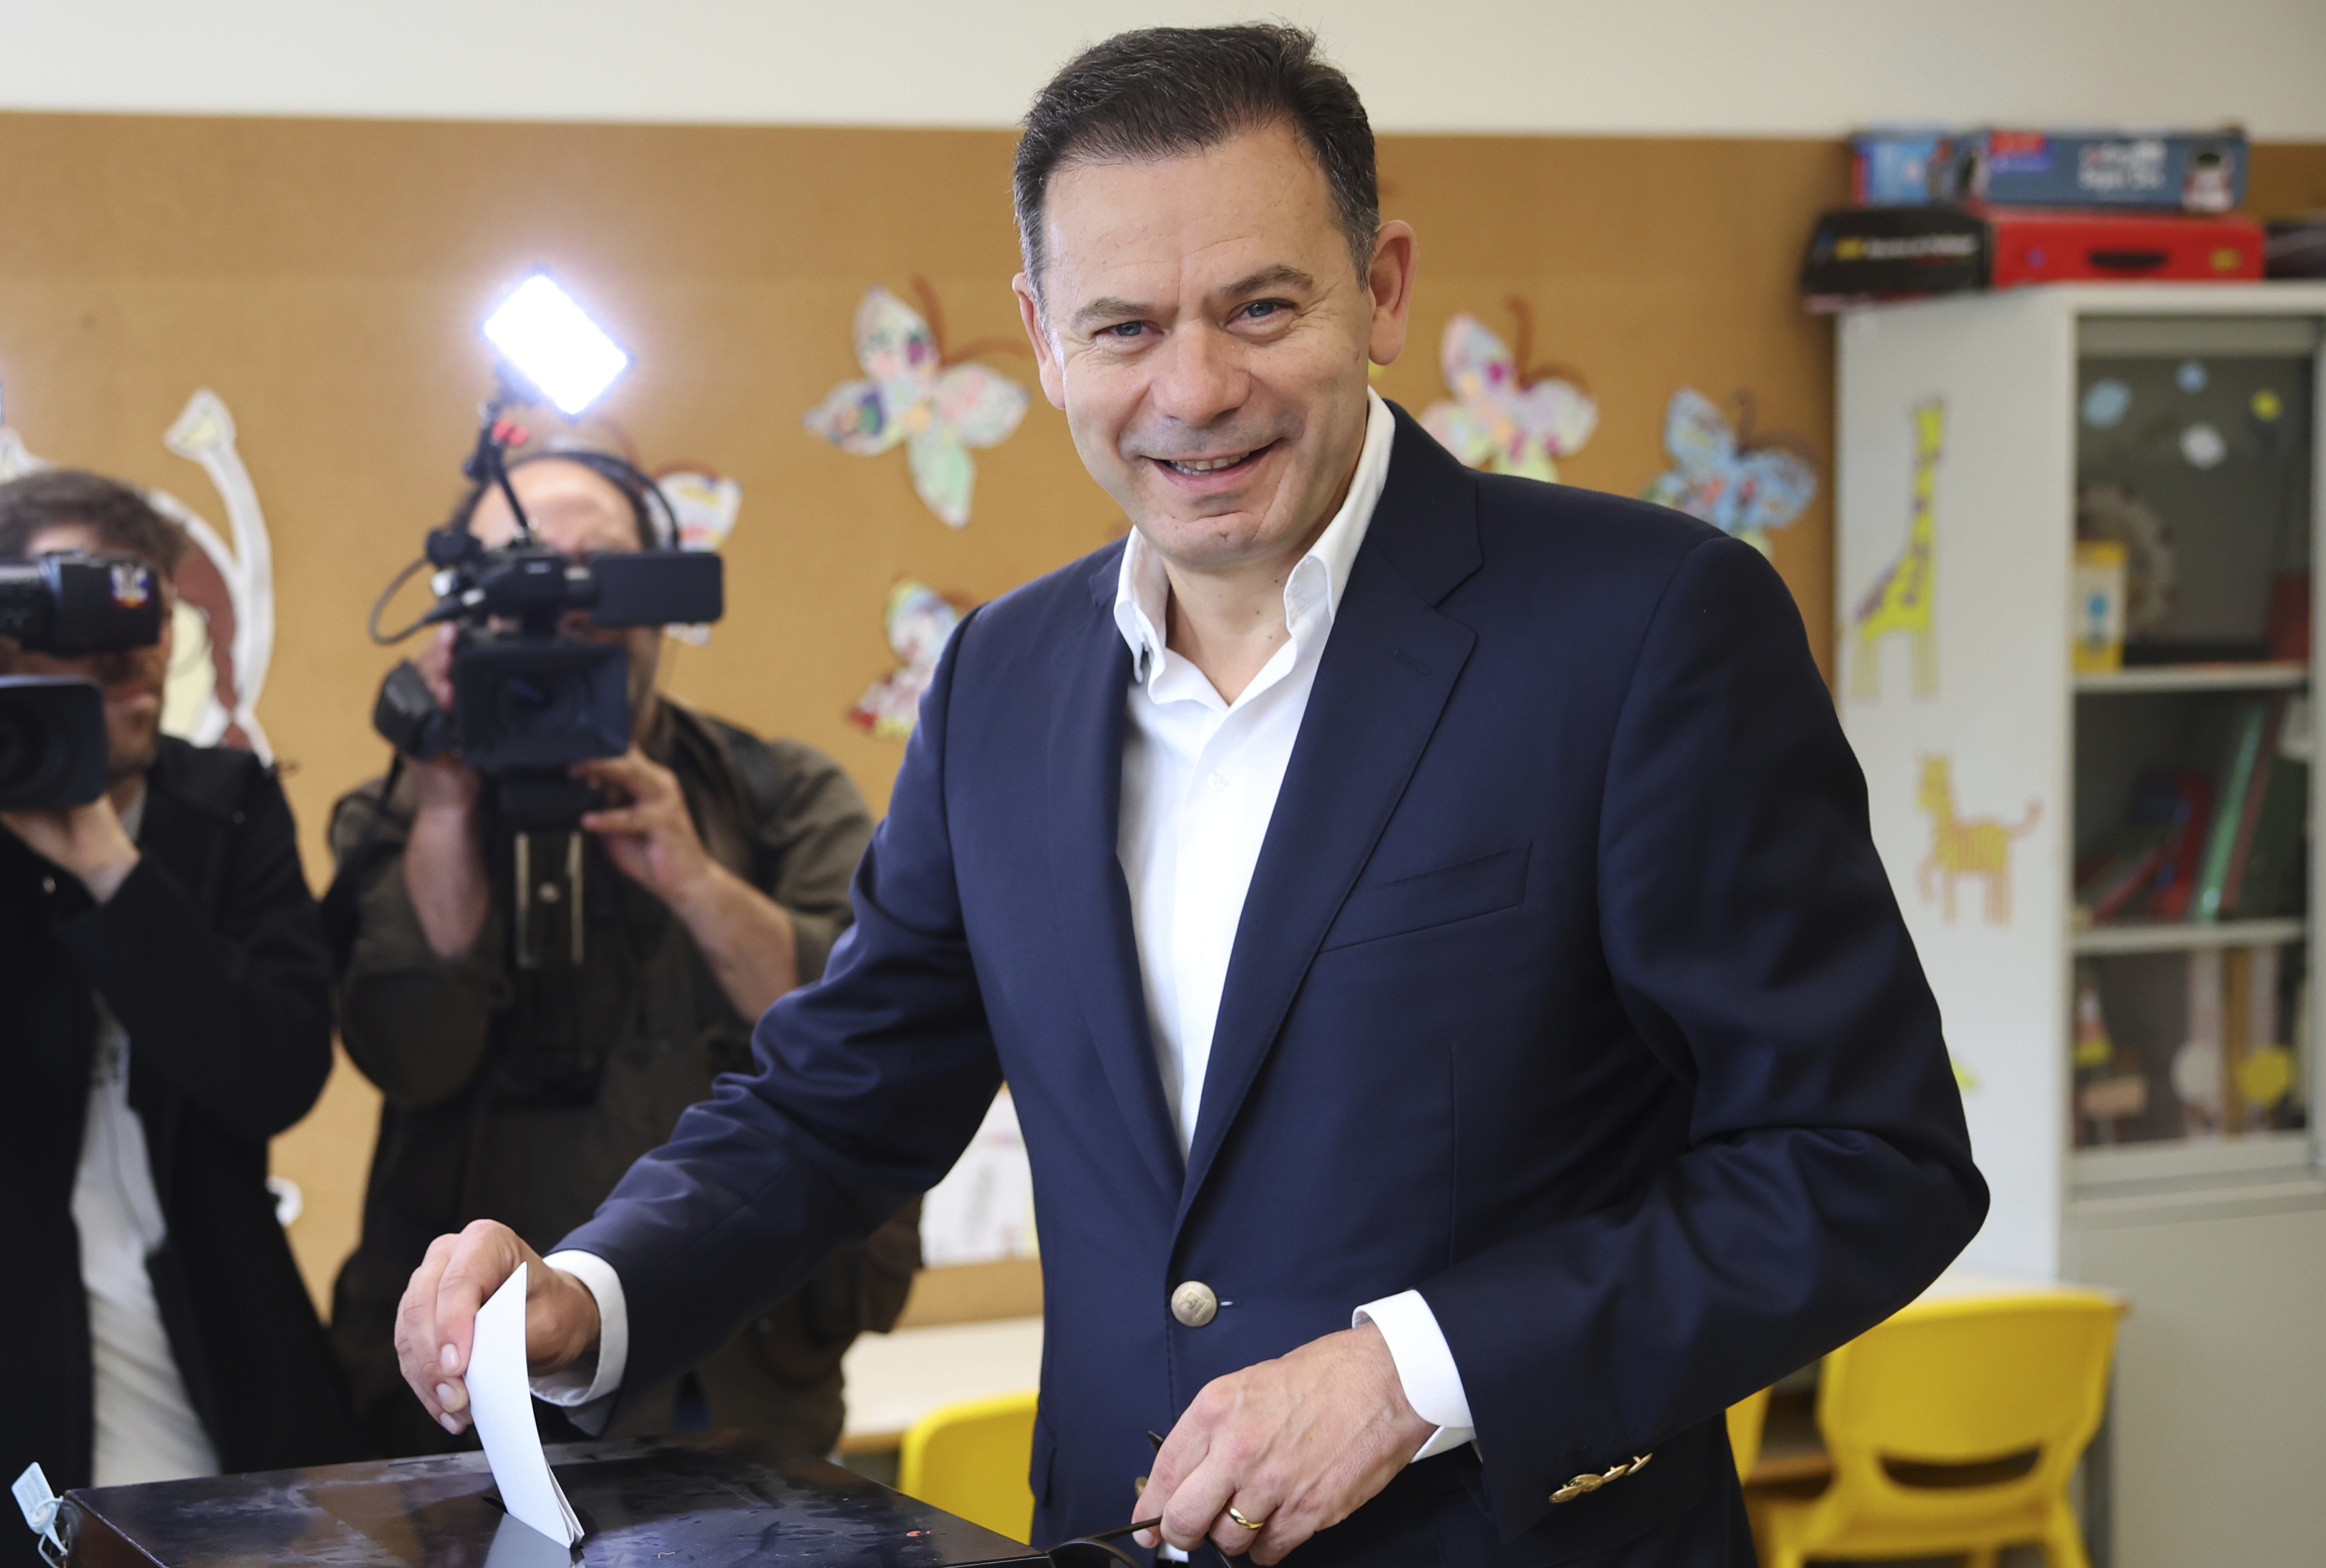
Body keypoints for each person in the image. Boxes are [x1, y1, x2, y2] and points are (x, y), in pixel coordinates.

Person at [394, 27, 1988, 1567]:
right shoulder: (999, 678)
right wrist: (592, 1291)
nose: (1195, 388)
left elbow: (1864, 1155)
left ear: (1381, 287)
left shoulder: (1643, 625)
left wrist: (1414, 1370)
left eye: (1259, 306)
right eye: (1123, 328)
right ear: (1041, 338)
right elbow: (840, 1097)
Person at [327, 449, 918, 1461]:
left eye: (594, 567)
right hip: (475, 1380)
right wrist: (446, 805)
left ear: (656, 595)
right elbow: (410, 1053)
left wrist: (696, 880)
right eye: (520, 569)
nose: (561, 605)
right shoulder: (401, 810)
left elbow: (862, 1043)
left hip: (742, 1366)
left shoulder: (779, 792)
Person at [1, 470, 360, 1515]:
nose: (127, 651)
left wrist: (106, 861)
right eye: (75, 609)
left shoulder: (227, 802)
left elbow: (276, 1072)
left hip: (220, 1331)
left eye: (145, 611)